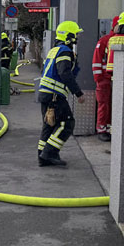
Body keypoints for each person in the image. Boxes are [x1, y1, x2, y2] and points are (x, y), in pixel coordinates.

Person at [36, 21, 85, 167]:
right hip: (54, 95)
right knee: (67, 123)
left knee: (49, 125)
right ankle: (49, 153)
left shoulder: (54, 50)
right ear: (68, 36)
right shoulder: (64, 51)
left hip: (46, 94)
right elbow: (65, 73)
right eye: (75, 35)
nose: (77, 38)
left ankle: (42, 157)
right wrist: (78, 93)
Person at [92, 16, 119, 142]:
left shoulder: (120, 40)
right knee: (104, 104)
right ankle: (101, 129)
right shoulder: (105, 40)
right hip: (105, 79)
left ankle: (110, 129)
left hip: (117, 79)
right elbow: (97, 59)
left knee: (114, 105)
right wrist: (99, 78)